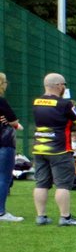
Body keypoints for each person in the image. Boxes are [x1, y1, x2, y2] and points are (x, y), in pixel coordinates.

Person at [31, 73, 76, 225]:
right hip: (60, 149)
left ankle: (41, 216)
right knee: (63, 185)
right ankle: (65, 217)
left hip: (39, 148)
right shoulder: (65, 104)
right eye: (64, 85)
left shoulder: (36, 102)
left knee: (41, 183)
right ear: (59, 85)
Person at [0, 72, 23, 222]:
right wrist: (12, 123)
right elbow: (15, 122)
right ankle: (1, 212)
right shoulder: (1, 101)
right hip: (4, 143)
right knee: (3, 177)